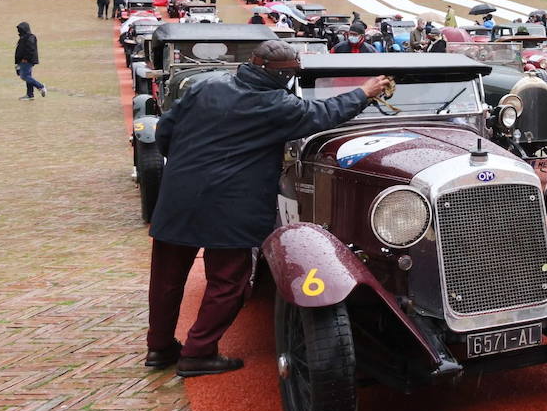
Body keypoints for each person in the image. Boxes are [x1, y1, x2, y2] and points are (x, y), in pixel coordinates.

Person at [146, 41, 393, 377]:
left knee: (166, 278)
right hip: (231, 205)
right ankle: (198, 352)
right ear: (282, 74)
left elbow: (165, 130)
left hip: (179, 195)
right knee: (228, 281)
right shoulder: (277, 104)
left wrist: (186, 166)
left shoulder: (207, 85)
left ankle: (159, 348)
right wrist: (365, 92)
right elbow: (323, 114)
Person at [14, 21, 46, 100]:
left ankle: (40, 86)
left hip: (27, 60)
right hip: (22, 60)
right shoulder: (23, 38)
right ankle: (30, 94)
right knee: (28, 76)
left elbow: (31, 49)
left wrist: (25, 58)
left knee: (24, 76)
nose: (19, 31)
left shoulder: (30, 37)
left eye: (20, 29)